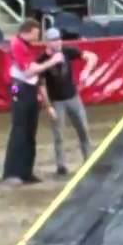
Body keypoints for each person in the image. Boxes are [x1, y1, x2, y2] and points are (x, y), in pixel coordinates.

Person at [3, 20, 66, 185]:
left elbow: (32, 70)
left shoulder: (26, 45)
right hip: (17, 87)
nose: (38, 37)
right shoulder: (17, 45)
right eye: (36, 33)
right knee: (19, 128)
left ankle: (25, 172)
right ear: (29, 31)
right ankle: (12, 173)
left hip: (27, 87)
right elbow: (28, 71)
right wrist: (52, 62)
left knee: (30, 130)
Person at [37, 28, 99, 176]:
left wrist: (87, 70)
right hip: (56, 101)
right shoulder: (42, 60)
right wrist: (48, 106)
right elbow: (42, 86)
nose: (58, 42)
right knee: (58, 134)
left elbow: (92, 57)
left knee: (83, 129)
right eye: (54, 40)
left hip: (73, 97)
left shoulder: (67, 51)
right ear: (47, 42)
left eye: (59, 39)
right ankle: (61, 166)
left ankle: (88, 159)